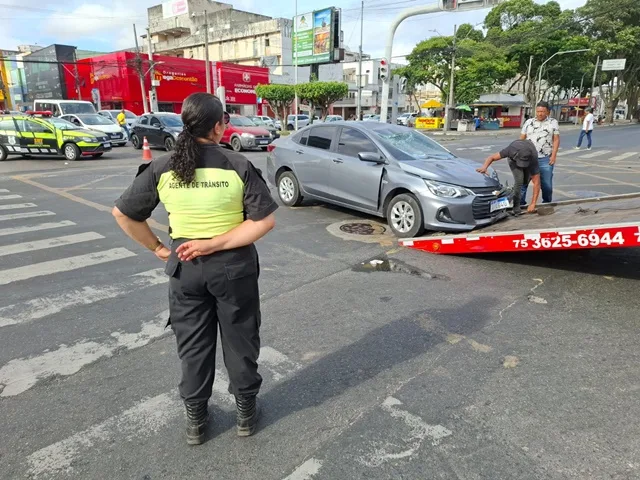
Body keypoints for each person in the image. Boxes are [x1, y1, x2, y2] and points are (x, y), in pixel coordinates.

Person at [112, 93, 277, 445]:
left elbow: (123, 214)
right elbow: (263, 222)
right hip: (234, 269)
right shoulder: (237, 164)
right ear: (219, 126)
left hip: (185, 267)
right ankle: (245, 413)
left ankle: (196, 421)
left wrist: (158, 247)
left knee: (193, 345)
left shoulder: (162, 166)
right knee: (240, 338)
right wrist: (215, 243)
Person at [477, 139, 542, 216]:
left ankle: (517, 197)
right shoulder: (510, 150)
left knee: (525, 181)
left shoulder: (533, 158)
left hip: (529, 157)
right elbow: (492, 158)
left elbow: (537, 183)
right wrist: (484, 167)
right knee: (519, 181)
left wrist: (533, 204)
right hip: (513, 160)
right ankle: (516, 208)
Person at [519, 100, 559, 205]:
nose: (540, 114)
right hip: (528, 158)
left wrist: (553, 156)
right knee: (523, 183)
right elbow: (522, 139)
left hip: (545, 158)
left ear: (548, 112)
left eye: (542, 111)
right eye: (538, 111)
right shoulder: (528, 122)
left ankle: (546, 203)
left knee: (547, 185)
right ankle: (520, 204)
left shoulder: (553, 123)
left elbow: (556, 139)